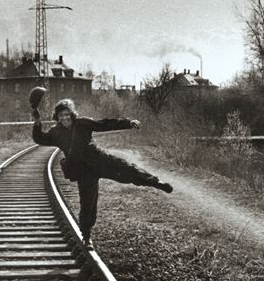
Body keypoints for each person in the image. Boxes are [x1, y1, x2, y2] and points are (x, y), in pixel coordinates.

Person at [32, 98, 172, 249]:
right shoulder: (56, 132)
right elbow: (40, 138)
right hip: (84, 171)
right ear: (57, 117)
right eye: (61, 115)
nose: (64, 118)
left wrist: (128, 122)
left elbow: (104, 124)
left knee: (128, 169)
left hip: (100, 160)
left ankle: (156, 183)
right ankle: (86, 236)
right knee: (88, 204)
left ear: (72, 114)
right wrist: (37, 122)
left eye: (67, 114)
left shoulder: (83, 123)